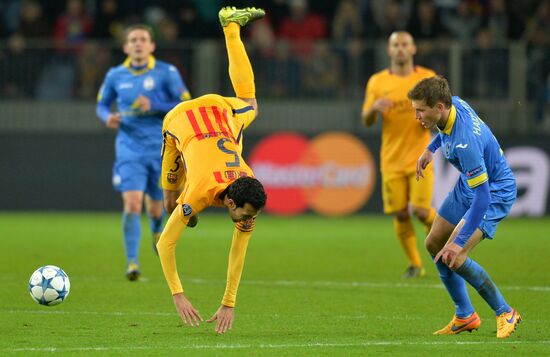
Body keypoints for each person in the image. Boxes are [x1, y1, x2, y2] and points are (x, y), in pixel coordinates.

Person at [157, 7, 267, 335]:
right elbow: (164, 246)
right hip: (180, 122)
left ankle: (231, 26)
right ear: (231, 204)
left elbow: (238, 250)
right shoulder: (200, 191)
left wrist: (228, 301)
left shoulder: (248, 189)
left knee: (250, 102)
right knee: (170, 205)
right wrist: (178, 295)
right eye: (246, 215)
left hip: (221, 115)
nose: (249, 220)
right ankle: (230, 27)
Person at [410, 75, 521, 338]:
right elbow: (443, 130)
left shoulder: (465, 142)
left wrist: (459, 241)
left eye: (420, 110)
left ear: (438, 107)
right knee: (434, 244)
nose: (416, 117)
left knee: (454, 255)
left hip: (494, 192)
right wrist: (430, 148)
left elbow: (482, 198)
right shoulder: (454, 103)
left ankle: (505, 311)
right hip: (468, 186)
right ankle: (465, 315)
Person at [96, 24, 191, 281]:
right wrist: (107, 117)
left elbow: (186, 103)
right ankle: (132, 263)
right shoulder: (115, 75)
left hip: (162, 149)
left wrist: (156, 105)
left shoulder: (167, 73)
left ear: (152, 46)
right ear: (126, 47)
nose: (138, 44)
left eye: (143, 39)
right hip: (129, 149)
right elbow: (102, 105)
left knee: (156, 209)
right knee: (132, 203)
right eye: (133, 40)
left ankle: (157, 230)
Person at [361, 31, 436, 278]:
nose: (400, 49)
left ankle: (446, 246)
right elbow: (366, 120)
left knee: (422, 212)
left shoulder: (427, 78)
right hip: (391, 159)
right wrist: (373, 108)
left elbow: (442, 114)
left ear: (413, 49)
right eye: (396, 45)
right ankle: (415, 264)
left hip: (420, 157)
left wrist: (428, 117)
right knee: (401, 213)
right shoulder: (377, 81)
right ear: (389, 50)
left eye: (405, 44)